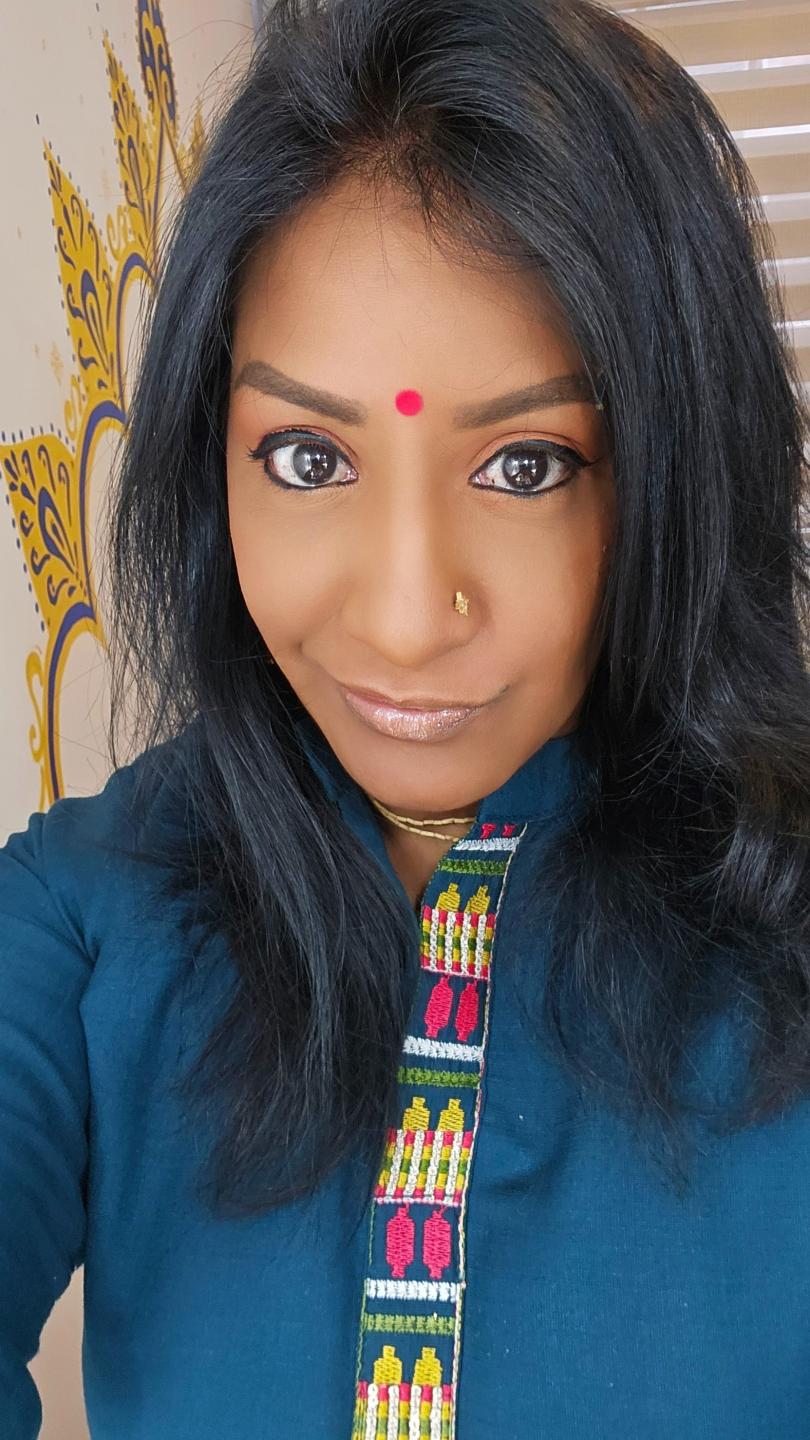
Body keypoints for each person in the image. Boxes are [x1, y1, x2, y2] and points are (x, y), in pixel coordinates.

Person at [2, 0, 808, 1435]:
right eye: (308, 457)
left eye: (526, 466)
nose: (402, 619)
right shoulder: (77, 922)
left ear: (675, 475)